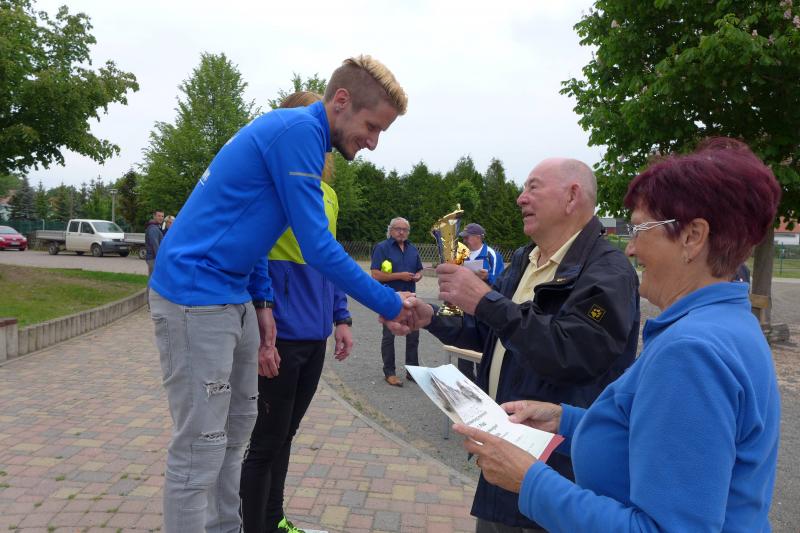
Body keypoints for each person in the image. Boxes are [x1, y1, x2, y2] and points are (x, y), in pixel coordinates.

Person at [452, 138, 781, 532]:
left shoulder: (692, 352)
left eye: (640, 228)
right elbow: (656, 435)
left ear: (693, 237)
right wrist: (566, 420)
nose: (631, 248)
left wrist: (529, 481)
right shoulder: (728, 324)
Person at [148, 55, 410, 533]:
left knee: (236, 435)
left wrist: (263, 302)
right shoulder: (299, 132)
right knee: (200, 447)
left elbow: (254, 229)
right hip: (193, 294)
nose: (373, 142)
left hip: (234, 293)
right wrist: (391, 304)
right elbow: (317, 248)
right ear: (342, 101)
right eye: (372, 127)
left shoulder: (301, 136)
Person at [387, 158, 640, 531]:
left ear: (572, 196)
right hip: (503, 462)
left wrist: (486, 301)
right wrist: (431, 317)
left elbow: (574, 354)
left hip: (558, 479)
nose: (521, 198)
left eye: (533, 187)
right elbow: (489, 331)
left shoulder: (608, 271)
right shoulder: (525, 259)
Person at [239, 91, 354, 533]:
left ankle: (275, 521)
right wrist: (262, 323)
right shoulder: (275, 185)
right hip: (280, 333)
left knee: (285, 436)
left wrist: (341, 317)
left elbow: (332, 261)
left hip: (314, 336)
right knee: (264, 442)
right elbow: (255, 254)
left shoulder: (329, 195)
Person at [370, 217, 424, 387]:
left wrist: (419, 275)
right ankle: (390, 373)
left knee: (413, 335)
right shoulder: (382, 248)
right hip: (389, 297)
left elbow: (419, 269)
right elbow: (375, 275)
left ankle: (412, 371)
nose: (401, 232)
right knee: (389, 336)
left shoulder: (412, 249)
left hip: (410, 298)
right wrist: (400, 276)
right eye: (398, 229)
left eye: (405, 229)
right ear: (390, 230)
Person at [458, 222, 505, 381]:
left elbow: (500, 282)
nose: (465, 240)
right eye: (464, 237)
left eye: (467, 237)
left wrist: (487, 277)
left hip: (484, 307)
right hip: (464, 306)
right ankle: (464, 382)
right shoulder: (461, 254)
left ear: (479, 237)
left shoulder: (492, 255)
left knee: (483, 348)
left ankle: (482, 383)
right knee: (463, 345)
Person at [144, 209, 164, 276]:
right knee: (154, 278)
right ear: (154, 216)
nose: (161, 218)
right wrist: (160, 258)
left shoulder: (155, 227)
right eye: (159, 216)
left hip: (153, 257)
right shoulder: (153, 228)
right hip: (153, 258)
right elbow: (155, 244)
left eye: (162, 216)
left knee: (152, 278)